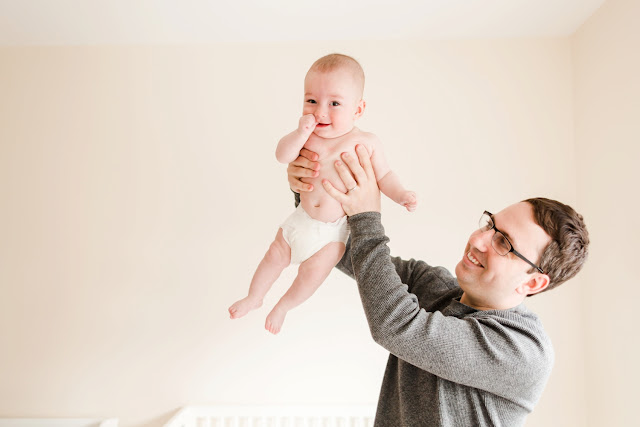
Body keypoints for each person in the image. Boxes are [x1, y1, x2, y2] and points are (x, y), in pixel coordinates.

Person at [286, 145, 589, 426]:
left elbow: (395, 325)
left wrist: (367, 215)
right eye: (489, 224)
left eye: (504, 243)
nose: (479, 239)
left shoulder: (522, 350)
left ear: (533, 281)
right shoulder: (433, 286)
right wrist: (311, 188)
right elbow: (347, 251)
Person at [229, 54, 417, 334]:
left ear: (359, 109)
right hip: (301, 219)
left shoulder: (365, 142)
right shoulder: (306, 134)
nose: (321, 112)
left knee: (312, 274)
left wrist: (401, 194)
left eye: (334, 103)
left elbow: (385, 176)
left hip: (332, 235)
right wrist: (299, 132)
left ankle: (282, 307)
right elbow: (282, 155)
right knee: (274, 255)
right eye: (312, 101)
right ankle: (254, 297)